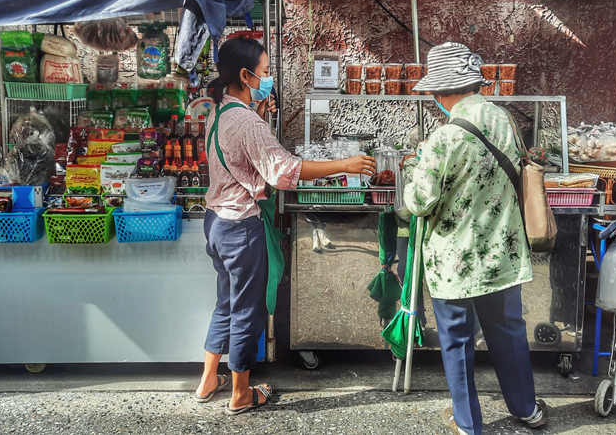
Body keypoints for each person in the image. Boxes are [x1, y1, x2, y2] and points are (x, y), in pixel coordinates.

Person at [194, 37, 376, 415]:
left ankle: (208, 378)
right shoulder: (245, 120)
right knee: (249, 310)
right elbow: (283, 171)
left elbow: (242, 152)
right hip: (241, 227)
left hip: (216, 223)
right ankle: (241, 393)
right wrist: (345, 164)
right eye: (263, 72)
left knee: (225, 303)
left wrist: (259, 110)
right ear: (245, 75)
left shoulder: (220, 109)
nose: (268, 77)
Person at [401, 42, 547, 435]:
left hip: (455, 261)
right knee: (509, 334)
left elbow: (417, 202)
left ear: (441, 92)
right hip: (501, 253)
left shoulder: (445, 137)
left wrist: (416, 166)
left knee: (458, 343)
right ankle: (527, 409)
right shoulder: (504, 119)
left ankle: (468, 425)